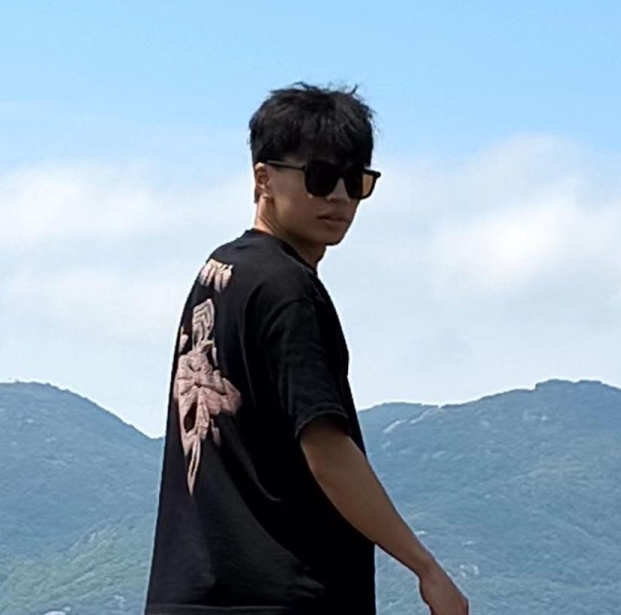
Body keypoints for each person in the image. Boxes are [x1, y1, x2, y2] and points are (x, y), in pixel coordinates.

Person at [144, 82, 469, 615]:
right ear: (263, 179)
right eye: (319, 177)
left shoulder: (219, 272)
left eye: (355, 180)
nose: (339, 197)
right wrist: (425, 567)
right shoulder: (288, 291)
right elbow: (327, 450)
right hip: (281, 596)